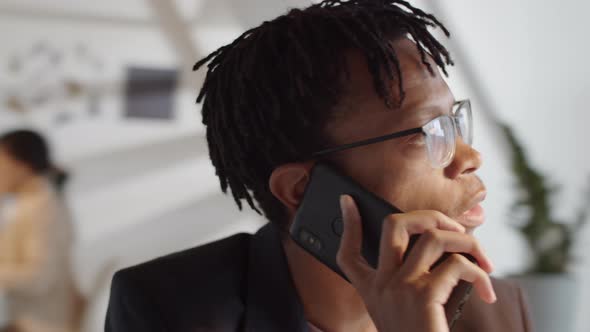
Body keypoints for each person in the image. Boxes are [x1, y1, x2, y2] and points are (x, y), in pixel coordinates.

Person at [106, 1, 532, 331]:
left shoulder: (494, 308)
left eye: (456, 120)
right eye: (428, 132)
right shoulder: (171, 308)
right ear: (300, 188)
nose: (469, 158)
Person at [0, 130, 84, 332]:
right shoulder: (28, 204)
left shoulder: (43, 208)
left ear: (21, 166)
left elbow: (39, 278)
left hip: (40, 324)